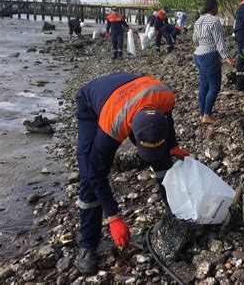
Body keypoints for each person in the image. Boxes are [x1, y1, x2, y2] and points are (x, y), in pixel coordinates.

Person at [74, 72, 189, 275]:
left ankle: (174, 211)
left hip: (133, 89)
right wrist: (114, 217)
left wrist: (173, 146)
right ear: (131, 131)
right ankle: (87, 245)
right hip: (92, 103)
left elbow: (167, 120)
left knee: (162, 160)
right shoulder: (113, 124)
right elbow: (97, 173)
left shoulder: (166, 97)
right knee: (88, 175)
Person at [193, 0, 234, 124]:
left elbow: (195, 40)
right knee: (215, 86)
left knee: (204, 85)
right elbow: (219, 42)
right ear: (214, 7)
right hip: (209, 55)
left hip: (198, 55)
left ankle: (202, 113)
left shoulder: (198, 21)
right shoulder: (214, 21)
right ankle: (207, 115)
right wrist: (226, 57)